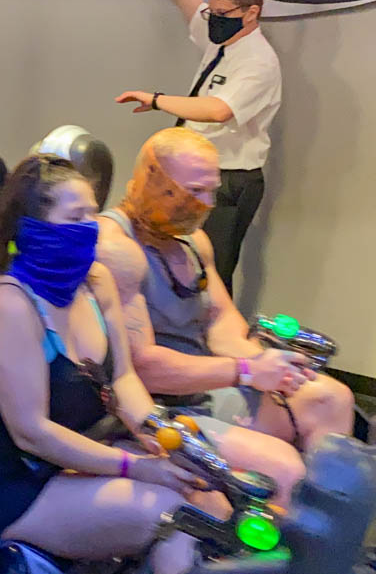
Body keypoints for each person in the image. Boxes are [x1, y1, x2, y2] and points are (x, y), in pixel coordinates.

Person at [0, 153, 294, 574]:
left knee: (212, 492)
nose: (90, 228)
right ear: (32, 228)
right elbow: (32, 433)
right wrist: (135, 467)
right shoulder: (10, 307)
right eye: (75, 218)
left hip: (90, 451)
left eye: (93, 214)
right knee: (179, 517)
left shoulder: (96, 282)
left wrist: (160, 434)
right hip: (17, 485)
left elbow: (123, 379)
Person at [97, 128, 355, 471]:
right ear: (152, 177)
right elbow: (142, 368)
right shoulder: (115, 249)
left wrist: (269, 365)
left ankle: (327, 504)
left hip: (203, 388)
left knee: (332, 399)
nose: (206, 204)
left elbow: (220, 321)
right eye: (194, 191)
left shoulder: (193, 242)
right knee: (284, 468)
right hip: (149, 407)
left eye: (211, 191)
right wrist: (246, 371)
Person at [115, 0, 282, 296]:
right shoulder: (220, 39)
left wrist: (156, 99)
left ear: (251, 13)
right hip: (198, 171)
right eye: (213, 11)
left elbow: (218, 110)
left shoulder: (258, 61)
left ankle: (215, 329)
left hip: (230, 179)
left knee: (212, 270)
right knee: (180, 261)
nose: (213, 18)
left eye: (223, 13)